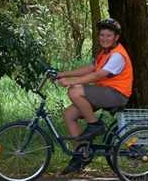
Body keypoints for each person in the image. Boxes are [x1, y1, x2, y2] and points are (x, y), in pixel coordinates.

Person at [56, 18, 133, 174]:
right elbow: (91, 68)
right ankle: (81, 155)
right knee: (69, 114)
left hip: (116, 94)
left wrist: (71, 81)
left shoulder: (117, 55)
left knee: (74, 90)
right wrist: (62, 74)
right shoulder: (105, 53)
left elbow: (97, 75)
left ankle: (95, 125)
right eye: (102, 35)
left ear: (116, 37)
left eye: (108, 35)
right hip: (104, 93)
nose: (104, 38)